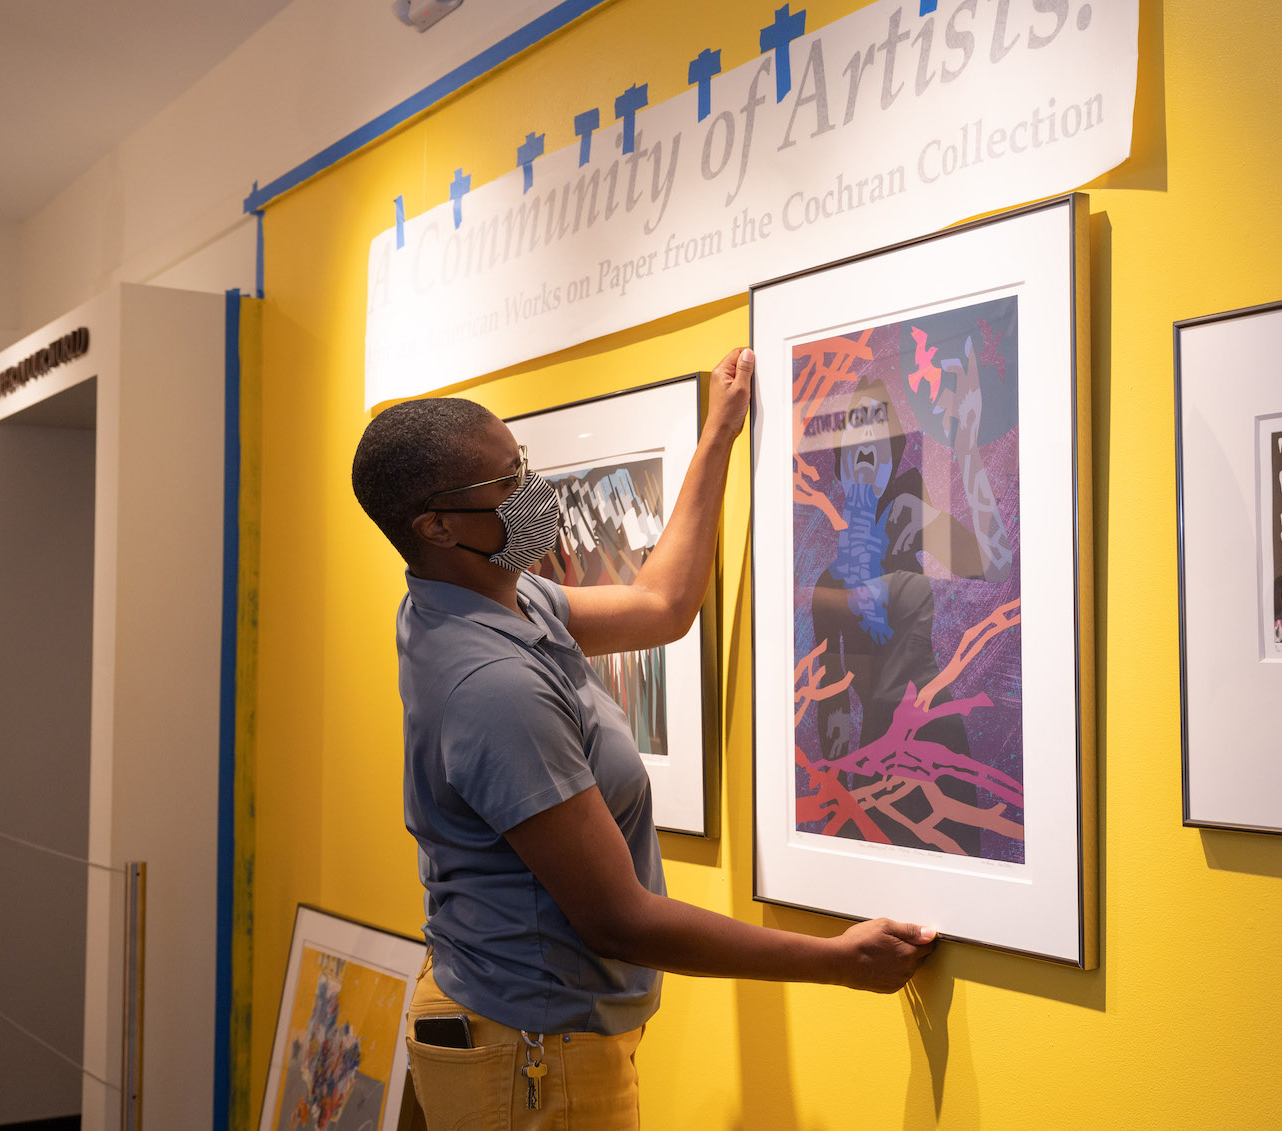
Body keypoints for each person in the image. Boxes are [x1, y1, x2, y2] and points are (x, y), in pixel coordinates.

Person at [350, 346, 937, 1130]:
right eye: (507, 483)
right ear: (436, 525)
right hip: (530, 1058)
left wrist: (719, 434)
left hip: (530, 1030)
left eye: (523, 461)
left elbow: (662, 605)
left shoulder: (497, 595)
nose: (535, 493)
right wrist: (836, 960)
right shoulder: (491, 685)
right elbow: (620, 917)